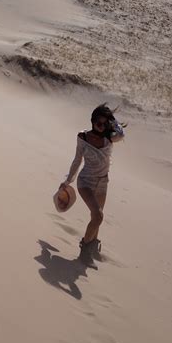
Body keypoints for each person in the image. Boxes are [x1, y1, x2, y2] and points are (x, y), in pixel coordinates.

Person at [58, 103, 126, 261]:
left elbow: (122, 135)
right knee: (98, 215)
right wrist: (68, 181)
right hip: (85, 182)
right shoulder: (83, 137)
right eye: (98, 123)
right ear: (92, 121)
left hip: (103, 182)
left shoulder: (110, 138)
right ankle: (85, 252)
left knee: (96, 217)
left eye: (105, 123)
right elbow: (77, 161)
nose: (101, 126)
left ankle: (93, 247)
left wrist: (113, 121)